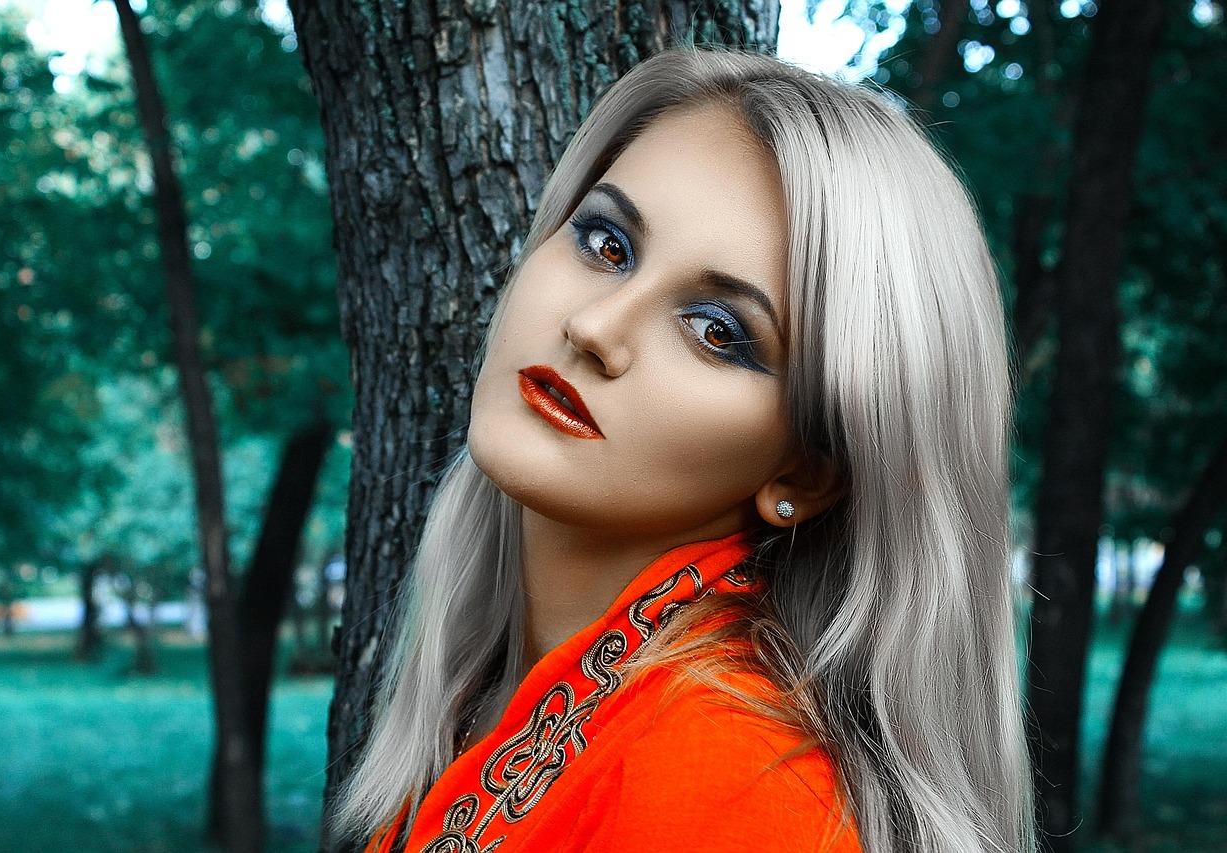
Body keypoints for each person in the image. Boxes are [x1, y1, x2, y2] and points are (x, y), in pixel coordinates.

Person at [333, 48, 1034, 853]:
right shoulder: (521, 708)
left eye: (716, 331)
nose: (594, 327)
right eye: (606, 244)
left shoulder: (728, 783)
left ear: (807, 471)